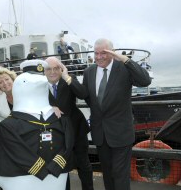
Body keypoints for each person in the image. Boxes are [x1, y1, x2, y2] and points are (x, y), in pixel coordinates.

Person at [64, 38, 151, 190]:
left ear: (112, 52)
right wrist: (67, 78)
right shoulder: (89, 71)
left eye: (103, 53)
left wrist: (125, 59)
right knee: (108, 173)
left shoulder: (123, 68)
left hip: (121, 133)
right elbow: (86, 95)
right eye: (96, 53)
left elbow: (145, 81)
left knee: (119, 173)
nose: (99, 57)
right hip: (100, 133)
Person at [0, 60, 74, 190]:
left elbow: (69, 142)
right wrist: (42, 169)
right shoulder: (7, 126)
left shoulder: (61, 119)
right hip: (22, 179)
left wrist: (56, 164)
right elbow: (16, 150)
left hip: (57, 177)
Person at [44, 57, 94, 190]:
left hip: (76, 130)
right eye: (49, 69)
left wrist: (66, 77)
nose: (52, 72)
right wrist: (50, 108)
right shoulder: (40, 85)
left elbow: (83, 93)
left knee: (83, 165)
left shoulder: (69, 79)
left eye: (56, 68)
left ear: (61, 69)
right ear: (44, 71)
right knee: (61, 167)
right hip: (56, 134)